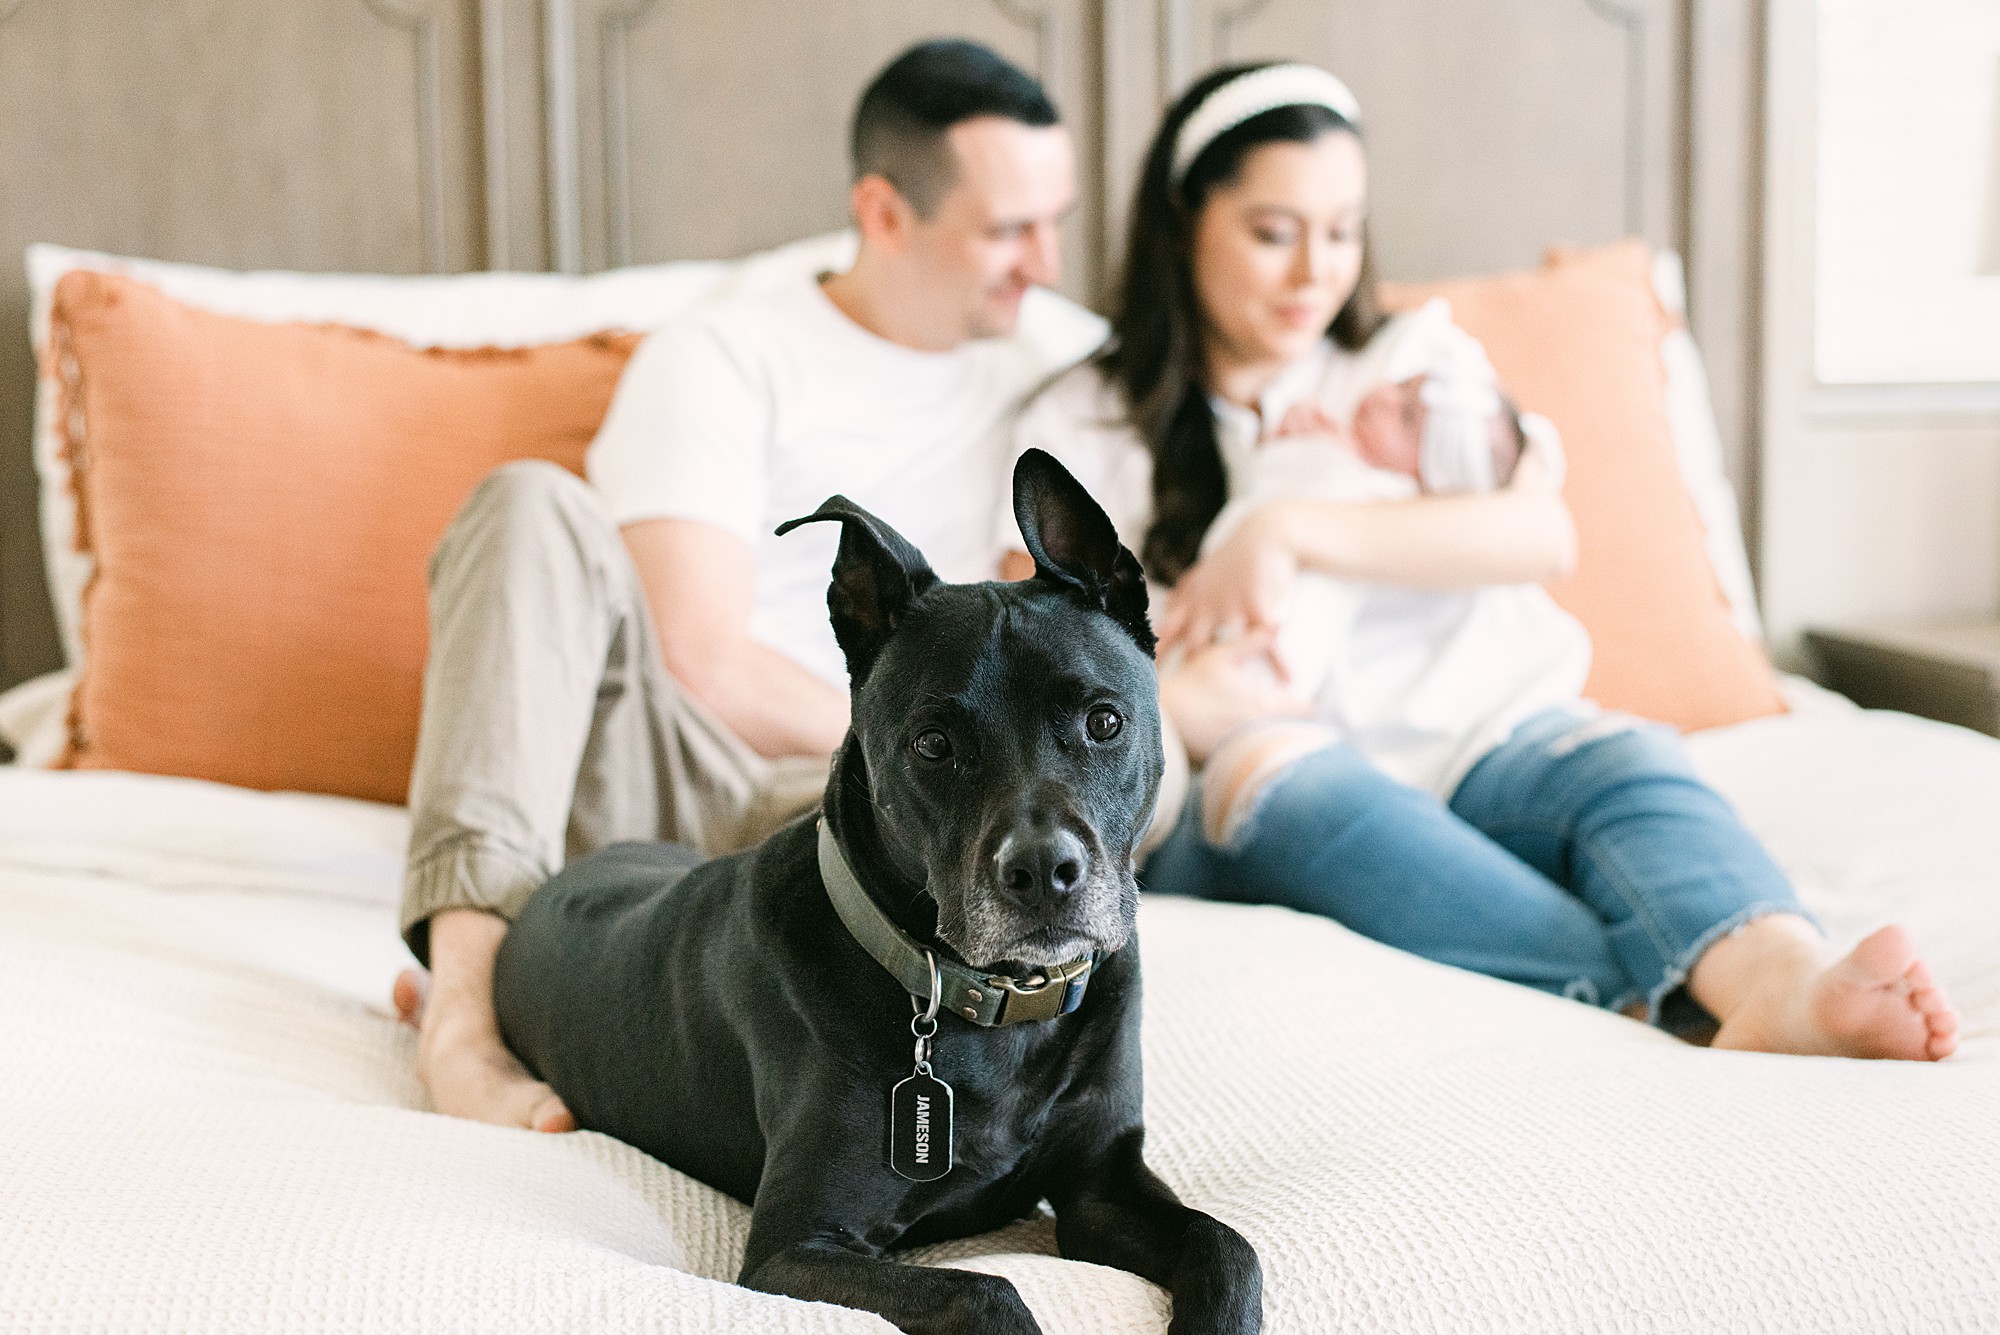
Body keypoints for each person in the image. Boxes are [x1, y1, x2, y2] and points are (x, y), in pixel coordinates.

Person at [1010, 61, 1960, 1060]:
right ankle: (1664, 1008)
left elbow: (1539, 534)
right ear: (1181, 219)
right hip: (1271, 764)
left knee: (1626, 763)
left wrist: (1281, 525)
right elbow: (1038, 660)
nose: (1313, 274)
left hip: (1483, 736)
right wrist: (1176, 699)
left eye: (1340, 232)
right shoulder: (1083, 421)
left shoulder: (1408, 365)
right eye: (1271, 233)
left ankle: (1782, 980)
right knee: (1285, 773)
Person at [395, 38, 1111, 1132]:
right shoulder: (727, 354)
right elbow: (697, 651)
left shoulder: (1058, 369)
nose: (1044, 261)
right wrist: (911, 743)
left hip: (887, 813)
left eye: (1053, 218)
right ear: (883, 213)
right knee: (528, 502)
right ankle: (462, 1012)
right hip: (683, 765)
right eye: (1008, 229)